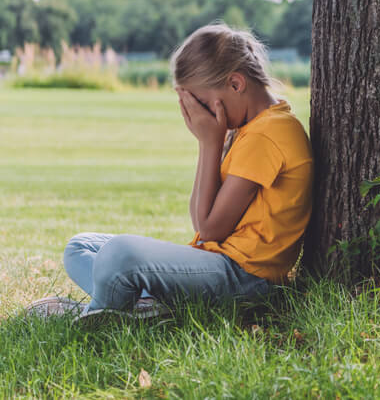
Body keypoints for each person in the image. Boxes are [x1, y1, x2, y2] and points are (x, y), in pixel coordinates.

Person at [26, 24, 314, 321]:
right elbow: (202, 226)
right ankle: (143, 309)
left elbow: (211, 228)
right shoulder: (252, 128)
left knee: (119, 253)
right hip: (219, 263)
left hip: (246, 279)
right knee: (80, 247)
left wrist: (210, 142)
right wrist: (212, 142)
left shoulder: (267, 134)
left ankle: (97, 315)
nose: (198, 116)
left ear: (236, 84)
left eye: (200, 103)